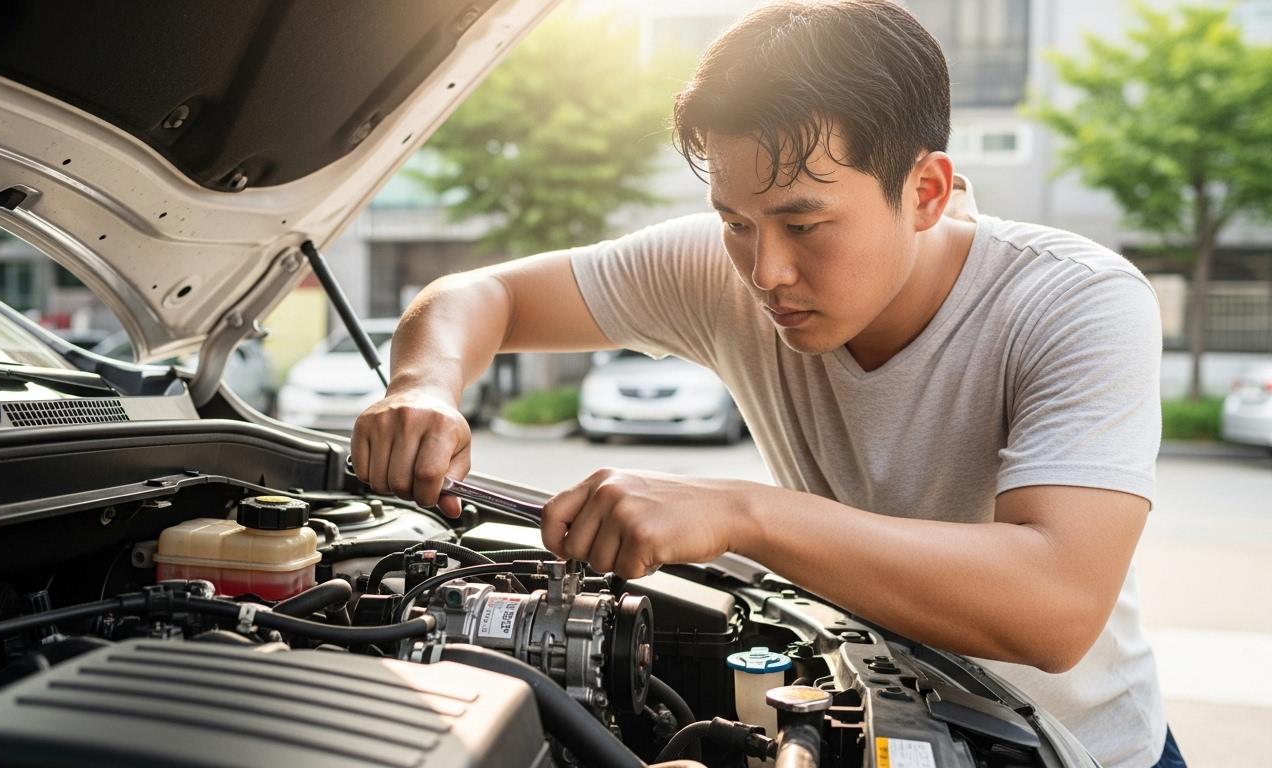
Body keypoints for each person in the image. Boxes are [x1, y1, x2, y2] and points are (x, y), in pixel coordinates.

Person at [351, 2, 1182, 766]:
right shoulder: (720, 267)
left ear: (925, 190)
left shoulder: (1077, 301)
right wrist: (423, 386)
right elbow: (478, 294)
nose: (765, 270)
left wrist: (742, 511)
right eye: (735, 222)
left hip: (1079, 751)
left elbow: (1056, 607)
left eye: (804, 223)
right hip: (874, 727)